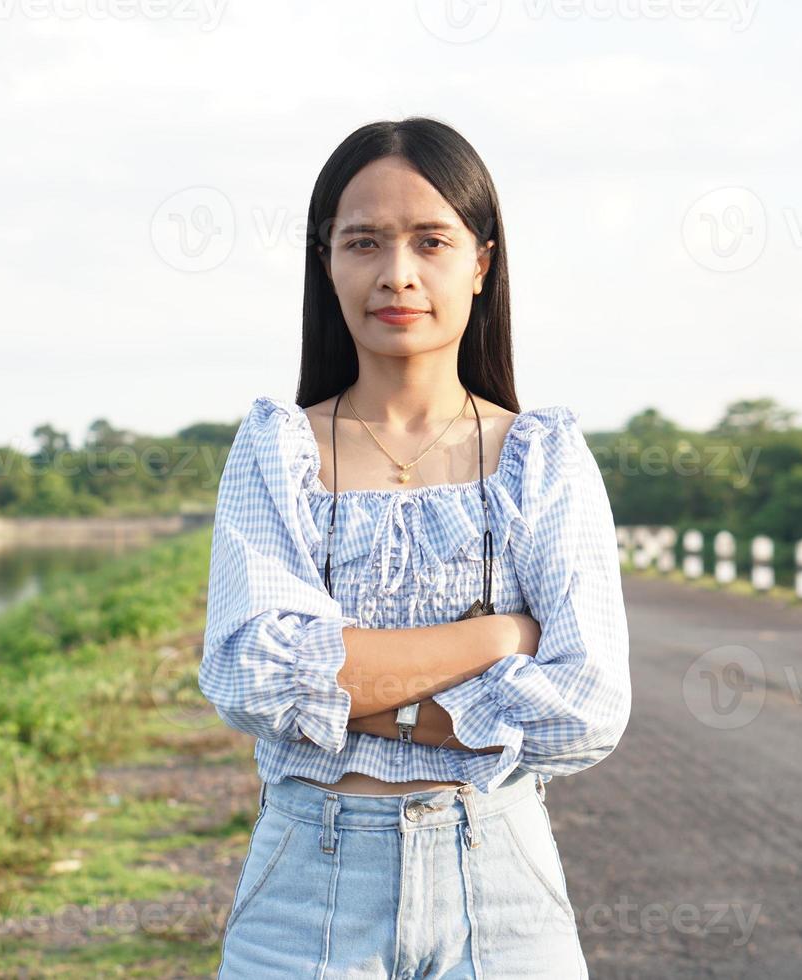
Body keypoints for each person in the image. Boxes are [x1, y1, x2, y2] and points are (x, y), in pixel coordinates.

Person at [199, 116, 631, 978]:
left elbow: (585, 707)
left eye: (430, 240)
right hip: (305, 893)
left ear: (481, 261)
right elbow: (250, 676)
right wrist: (499, 639)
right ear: (327, 263)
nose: (397, 273)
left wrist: (346, 688)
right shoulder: (278, 448)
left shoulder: (540, 455)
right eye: (364, 241)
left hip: (501, 884)